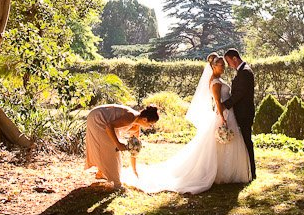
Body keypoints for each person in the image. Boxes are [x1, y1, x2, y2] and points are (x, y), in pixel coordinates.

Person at [127, 53, 250, 193]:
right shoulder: (215, 83)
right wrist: (222, 118)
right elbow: (217, 102)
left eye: (223, 65)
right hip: (224, 114)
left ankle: (227, 172)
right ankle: (220, 173)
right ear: (214, 67)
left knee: (224, 145)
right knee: (219, 144)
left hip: (229, 113)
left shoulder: (218, 79)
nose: (224, 67)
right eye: (221, 65)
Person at [84, 103, 160, 187]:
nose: (150, 127)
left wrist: (134, 170)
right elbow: (109, 126)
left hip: (103, 119)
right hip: (97, 117)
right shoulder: (131, 116)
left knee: (110, 147)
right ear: (145, 120)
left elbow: (134, 151)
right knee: (112, 148)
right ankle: (117, 184)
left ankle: (101, 173)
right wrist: (118, 144)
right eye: (151, 124)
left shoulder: (136, 128)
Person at [218, 48, 256, 181]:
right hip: (241, 112)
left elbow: (239, 94)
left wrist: (224, 105)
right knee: (243, 142)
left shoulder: (245, 72)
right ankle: (246, 170)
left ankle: (251, 171)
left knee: (246, 141)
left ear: (235, 58)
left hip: (244, 113)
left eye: (228, 61)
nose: (228, 65)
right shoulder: (242, 71)